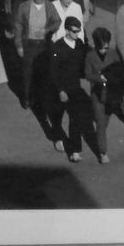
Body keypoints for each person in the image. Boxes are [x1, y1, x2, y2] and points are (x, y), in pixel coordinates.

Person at [46, 16, 90, 162]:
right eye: (74, 31)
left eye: (79, 31)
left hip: (75, 88)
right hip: (61, 89)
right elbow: (53, 71)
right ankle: (58, 138)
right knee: (57, 118)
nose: (77, 34)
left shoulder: (79, 44)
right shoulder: (57, 47)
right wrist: (60, 90)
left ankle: (74, 151)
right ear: (67, 30)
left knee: (75, 119)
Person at [13, 0, 56, 110]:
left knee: (41, 73)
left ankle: (38, 99)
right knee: (28, 73)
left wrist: (48, 29)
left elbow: (57, 21)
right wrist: (19, 45)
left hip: (43, 45)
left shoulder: (49, 6)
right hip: (29, 44)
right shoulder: (24, 7)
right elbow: (18, 26)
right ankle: (26, 98)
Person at [84, 26, 123, 163]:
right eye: (101, 48)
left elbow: (119, 70)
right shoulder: (90, 56)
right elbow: (88, 74)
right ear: (95, 44)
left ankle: (100, 137)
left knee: (104, 121)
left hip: (111, 94)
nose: (104, 50)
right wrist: (99, 78)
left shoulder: (113, 54)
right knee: (101, 123)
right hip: (97, 94)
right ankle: (103, 152)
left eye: (106, 47)